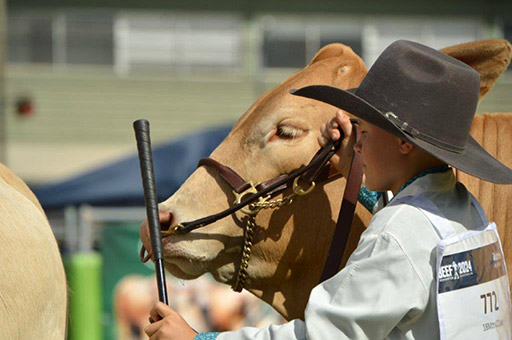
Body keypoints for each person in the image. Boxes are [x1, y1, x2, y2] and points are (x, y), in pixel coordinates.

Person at [143, 40, 512, 339]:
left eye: (364, 132)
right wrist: (358, 174)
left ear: (404, 144)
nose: (358, 144)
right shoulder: (467, 215)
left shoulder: (398, 236)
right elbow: (410, 247)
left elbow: (323, 337)